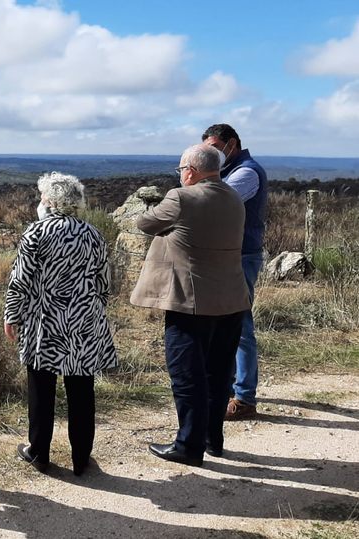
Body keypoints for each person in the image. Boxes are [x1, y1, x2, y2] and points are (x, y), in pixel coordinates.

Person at [130, 144, 250, 466]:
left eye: (181, 169)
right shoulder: (234, 199)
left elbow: (145, 223)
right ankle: (213, 439)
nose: (180, 175)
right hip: (233, 299)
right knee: (218, 373)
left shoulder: (181, 198)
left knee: (187, 374)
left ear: (191, 171)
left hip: (190, 301)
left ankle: (188, 445)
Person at [4, 172, 118, 476]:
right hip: (84, 322)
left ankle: (38, 452)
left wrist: (12, 315)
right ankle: (81, 457)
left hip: (45, 322)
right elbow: (105, 283)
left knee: (41, 387)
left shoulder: (36, 232)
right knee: (81, 389)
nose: (40, 201)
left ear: (51, 201)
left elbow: (20, 281)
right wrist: (91, 308)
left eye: (42, 196)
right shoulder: (93, 234)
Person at [202, 124, 268, 421]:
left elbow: (215, 203)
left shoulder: (247, 172)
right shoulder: (228, 170)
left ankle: (244, 398)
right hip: (228, 256)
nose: (213, 153)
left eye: (216, 146)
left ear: (233, 143)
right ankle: (227, 387)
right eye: (207, 148)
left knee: (240, 326)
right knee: (224, 324)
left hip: (242, 257)